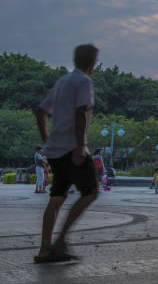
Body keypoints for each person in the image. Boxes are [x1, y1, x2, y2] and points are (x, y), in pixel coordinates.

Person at [33, 44, 100, 263]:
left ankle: (45, 249)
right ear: (92, 63)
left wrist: (47, 139)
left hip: (55, 150)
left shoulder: (62, 81)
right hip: (72, 149)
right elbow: (81, 113)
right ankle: (60, 241)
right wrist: (80, 147)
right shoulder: (83, 82)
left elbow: (40, 111)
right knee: (90, 192)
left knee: (57, 197)